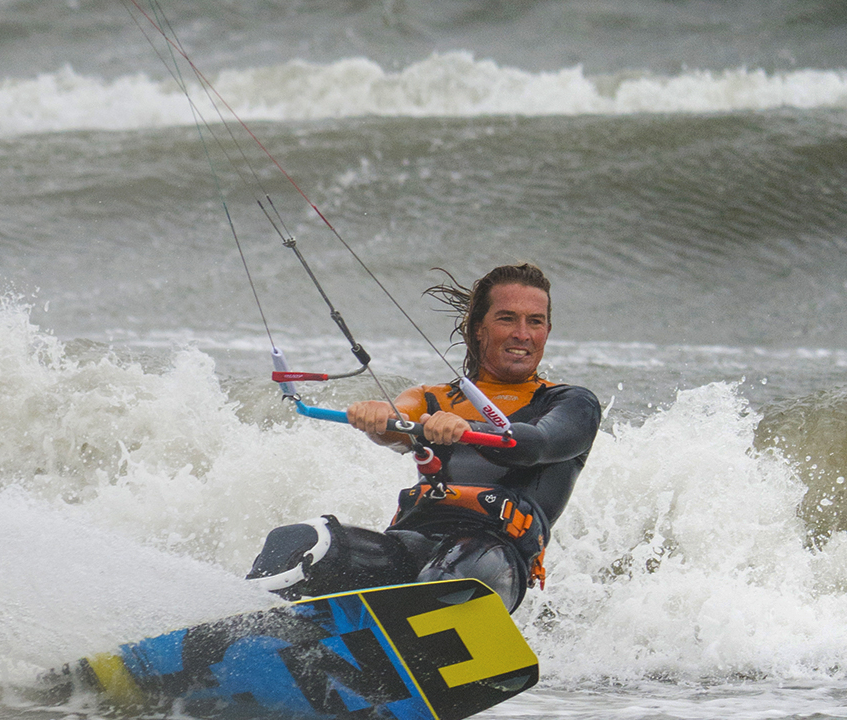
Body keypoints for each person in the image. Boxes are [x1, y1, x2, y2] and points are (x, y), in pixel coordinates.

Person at [247, 262, 601, 613]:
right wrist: (378, 417)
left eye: (534, 322)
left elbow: (536, 445)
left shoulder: (570, 403)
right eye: (507, 319)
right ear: (479, 328)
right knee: (298, 542)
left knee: (444, 580)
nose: (522, 333)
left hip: (494, 557)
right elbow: (398, 421)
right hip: (410, 545)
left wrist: (469, 430)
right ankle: (237, 633)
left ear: (547, 331)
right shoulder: (431, 398)